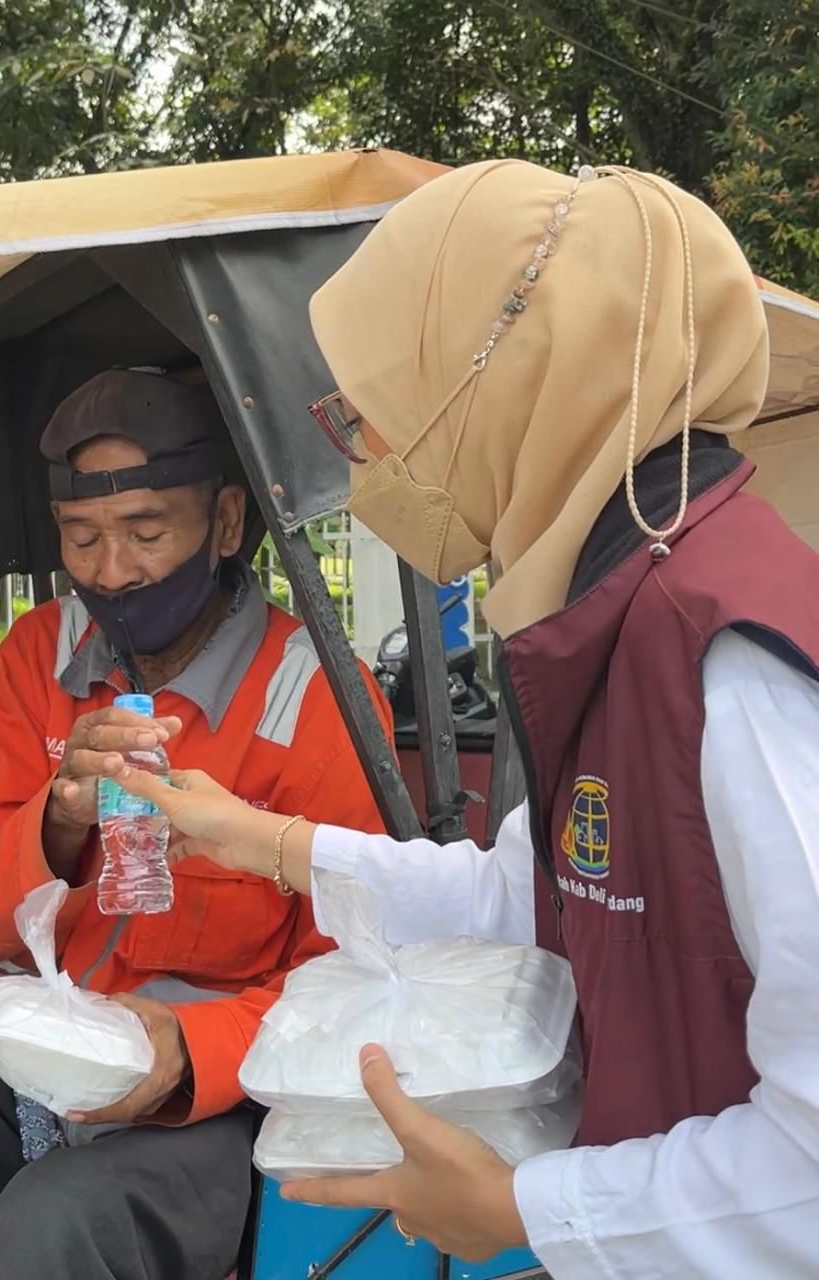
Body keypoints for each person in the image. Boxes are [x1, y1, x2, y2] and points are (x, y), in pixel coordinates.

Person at [117, 163, 819, 1278]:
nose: (372, 458)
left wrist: (529, 1205)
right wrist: (268, 842)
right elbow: (536, 895)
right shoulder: (622, 613)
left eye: (381, 411)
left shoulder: (733, 665)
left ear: (518, 379)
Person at [0, 367, 393, 1280]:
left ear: (225, 522)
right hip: (43, 1058)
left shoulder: (315, 698)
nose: (111, 571)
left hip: (221, 1104)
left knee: (57, 1218)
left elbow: (356, 980)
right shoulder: (41, 654)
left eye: (147, 532)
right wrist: (59, 820)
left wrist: (184, 1053)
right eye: (82, 538)